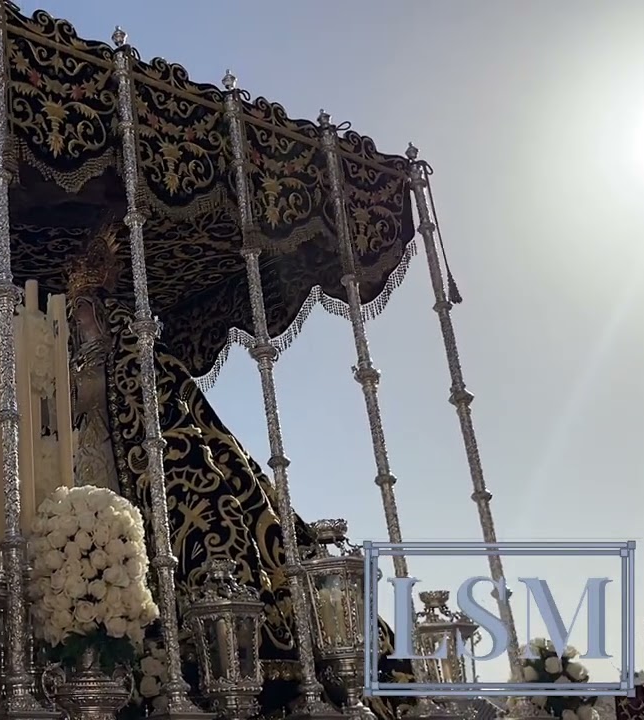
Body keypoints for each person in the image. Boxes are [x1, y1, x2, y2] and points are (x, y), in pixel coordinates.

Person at [63, 223, 412, 719]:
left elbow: (149, 405)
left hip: (147, 472)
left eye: (85, 312)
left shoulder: (137, 353)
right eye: (74, 315)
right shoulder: (68, 354)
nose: (79, 324)